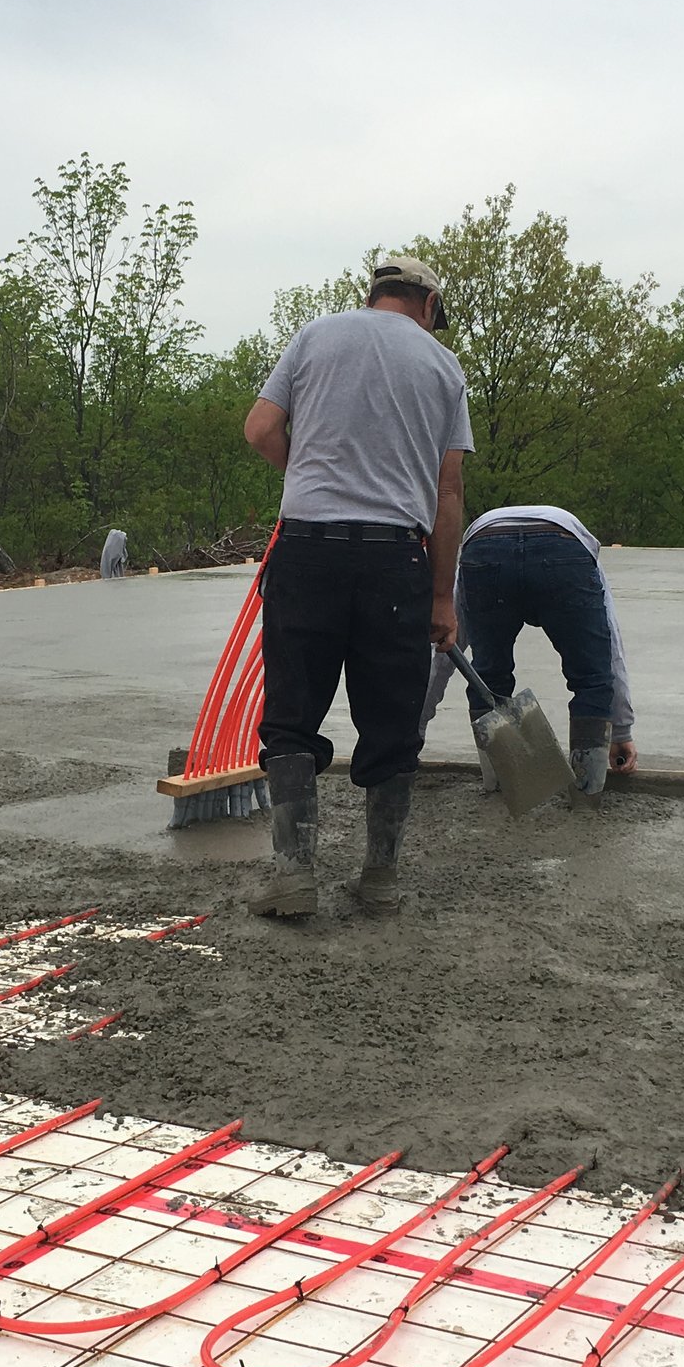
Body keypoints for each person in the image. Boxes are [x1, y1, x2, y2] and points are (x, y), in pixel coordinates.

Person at [241, 255, 470, 918]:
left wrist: (309, 467)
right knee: (390, 717)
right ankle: (381, 877)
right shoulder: (440, 365)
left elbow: (259, 428)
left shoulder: (317, 335)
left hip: (307, 548)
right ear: (427, 305)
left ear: (372, 295)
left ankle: (292, 874)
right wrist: (442, 596)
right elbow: (448, 492)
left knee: (291, 712)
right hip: (393, 559)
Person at [423, 505, 638, 795]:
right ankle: (587, 796)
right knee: (591, 678)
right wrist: (621, 730)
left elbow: (445, 646)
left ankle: (498, 788)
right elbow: (610, 650)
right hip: (563, 548)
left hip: (486, 546)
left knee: (488, 677)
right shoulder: (585, 557)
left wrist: (412, 732)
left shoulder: (473, 563)